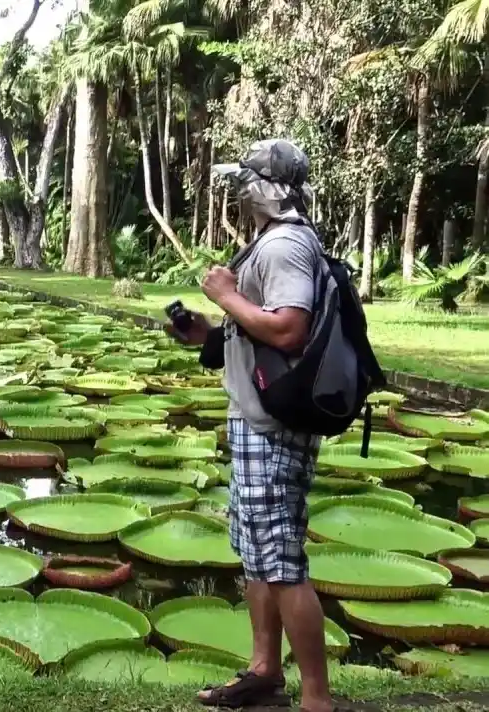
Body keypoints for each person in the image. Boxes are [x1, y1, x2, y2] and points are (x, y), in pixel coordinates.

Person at [166, 139, 334, 712]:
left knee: (282, 561)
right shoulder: (265, 241)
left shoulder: (285, 244)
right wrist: (206, 332)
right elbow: (257, 330)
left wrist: (227, 293)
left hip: (273, 425)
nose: (236, 191)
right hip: (254, 418)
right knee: (258, 552)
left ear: (265, 187)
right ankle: (264, 669)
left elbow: (288, 330)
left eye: (243, 181)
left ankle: (317, 698)